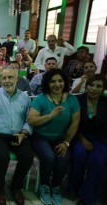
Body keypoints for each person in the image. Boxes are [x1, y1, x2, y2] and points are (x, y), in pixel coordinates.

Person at [0, 67, 34, 205]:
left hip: (18, 134)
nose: (7, 81)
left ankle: (16, 186)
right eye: (4, 78)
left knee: (28, 156)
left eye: (10, 77)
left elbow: (29, 119)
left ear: (17, 79)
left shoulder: (24, 97)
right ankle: (0, 188)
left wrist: (24, 133)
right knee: (1, 157)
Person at [28, 69, 80, 205]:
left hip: (61, 139)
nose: (57, 84)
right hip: (41, 137)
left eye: (60, 81)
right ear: (47, 83)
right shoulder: (41, 99)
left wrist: (66, 142)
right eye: (53, 82)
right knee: (49, 157)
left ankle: (55, 187)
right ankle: (44, 186)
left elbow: (75, 123)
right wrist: (50, 115)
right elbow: (31, 120)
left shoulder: (72, 99)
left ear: (65, 82)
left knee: (63, 158)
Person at [68, 74, 107, 205]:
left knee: (98, 160)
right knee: (79, 155)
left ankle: (87, 197)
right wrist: (82, 139)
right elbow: (71, 123)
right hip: (78, 136)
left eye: (99, 86)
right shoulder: (77, 100)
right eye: (91, 85)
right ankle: (74, 188)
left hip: (100, 139)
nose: (94, 89)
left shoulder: (105, 103)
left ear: (103, 89)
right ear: (86, 85)